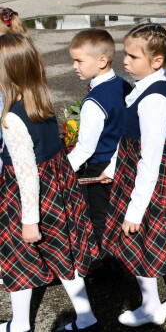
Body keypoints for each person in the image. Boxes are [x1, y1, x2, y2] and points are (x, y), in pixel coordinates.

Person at [102, 24, 166, 327]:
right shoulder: (149, 87)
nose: (126, 61)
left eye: (133, 56)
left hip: (152, 178)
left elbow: (150, 159)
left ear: (156, 61)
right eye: (126, 54)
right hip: (149, 172)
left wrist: (134, 209)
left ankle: (151, 305)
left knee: (141, 237)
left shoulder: (154, 98)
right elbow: (131, 139)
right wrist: (111, 167)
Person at [0, 33, 100, 332]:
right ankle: (85, 318)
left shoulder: (12, 119)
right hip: (57, 192)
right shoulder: (39, 103)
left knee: (15, 257)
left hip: (26, 199)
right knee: (63, 255)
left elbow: (26, 172)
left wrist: (30, 220)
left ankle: (20, 324)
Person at [67, 29, 132, 247]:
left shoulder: (94, 102)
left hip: (101, 165)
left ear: (102, 60)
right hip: (124, 158)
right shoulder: (123, 84)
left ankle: (106, 262)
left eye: (79, 61)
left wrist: (61, 172)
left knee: (99, 218)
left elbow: (85, 148)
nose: (74, 66)